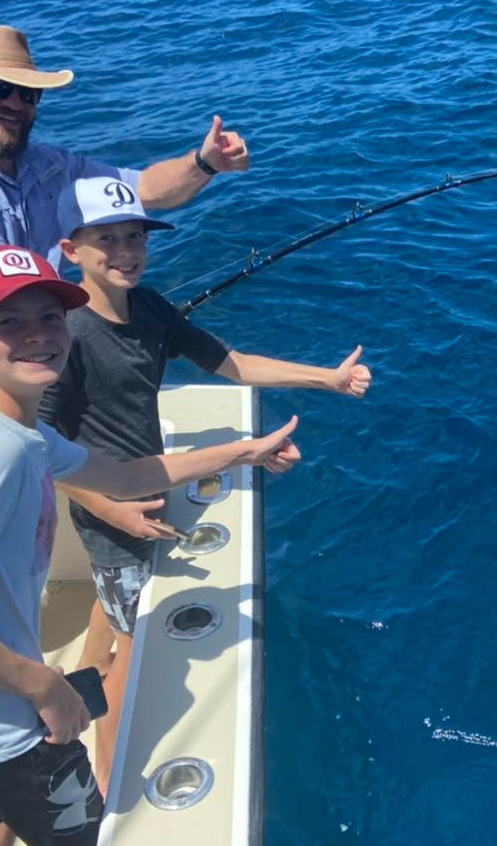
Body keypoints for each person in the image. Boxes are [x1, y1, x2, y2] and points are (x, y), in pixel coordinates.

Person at [0, 244, 300, 846]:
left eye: (50, 317)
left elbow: (127, 477)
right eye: (8, 322)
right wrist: (46, 688)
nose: (37, 335)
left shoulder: (12, 428)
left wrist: (245, 452)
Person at [38, 176, 373, 796]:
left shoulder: (151, 308)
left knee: (116, 604)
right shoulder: (67, 334)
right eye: (106, 239)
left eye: (135, 236)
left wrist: (326, 378)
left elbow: (233, 363)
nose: (125, 251)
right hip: (114, 514)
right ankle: (108, 785)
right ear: (69, 249)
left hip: (149, 491)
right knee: (133, 654)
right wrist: (110, 511)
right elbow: (41, 451)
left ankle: (82, 669)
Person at [0, 24, 251, 452]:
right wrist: (106, 331)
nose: (15, 103)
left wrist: (205, 163)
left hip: (29, 368)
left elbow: (141, 189)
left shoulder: (46, 164)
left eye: (28, 93)